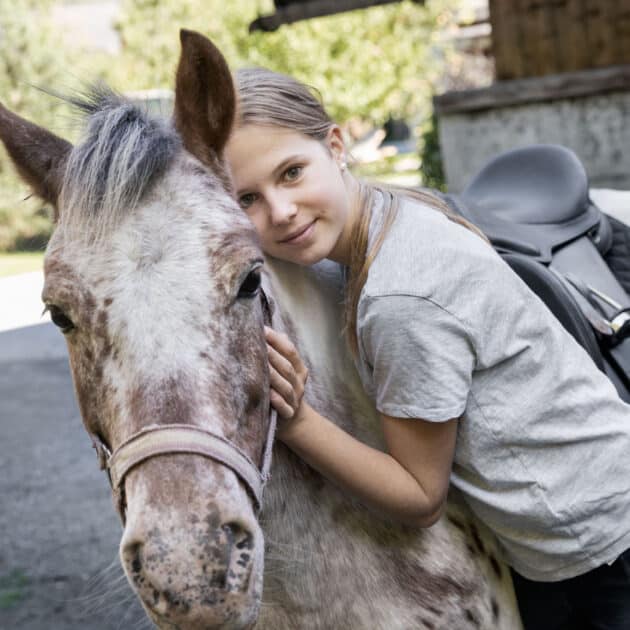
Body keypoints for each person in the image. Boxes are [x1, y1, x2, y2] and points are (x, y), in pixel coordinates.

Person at [224, 67, 630, 630]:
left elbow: (420, 497)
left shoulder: (400, 297)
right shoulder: (394, 212)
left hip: (597, 548)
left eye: (291, 173)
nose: (281, 210)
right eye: (247, 198)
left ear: (336, 145)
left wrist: (297, 424)